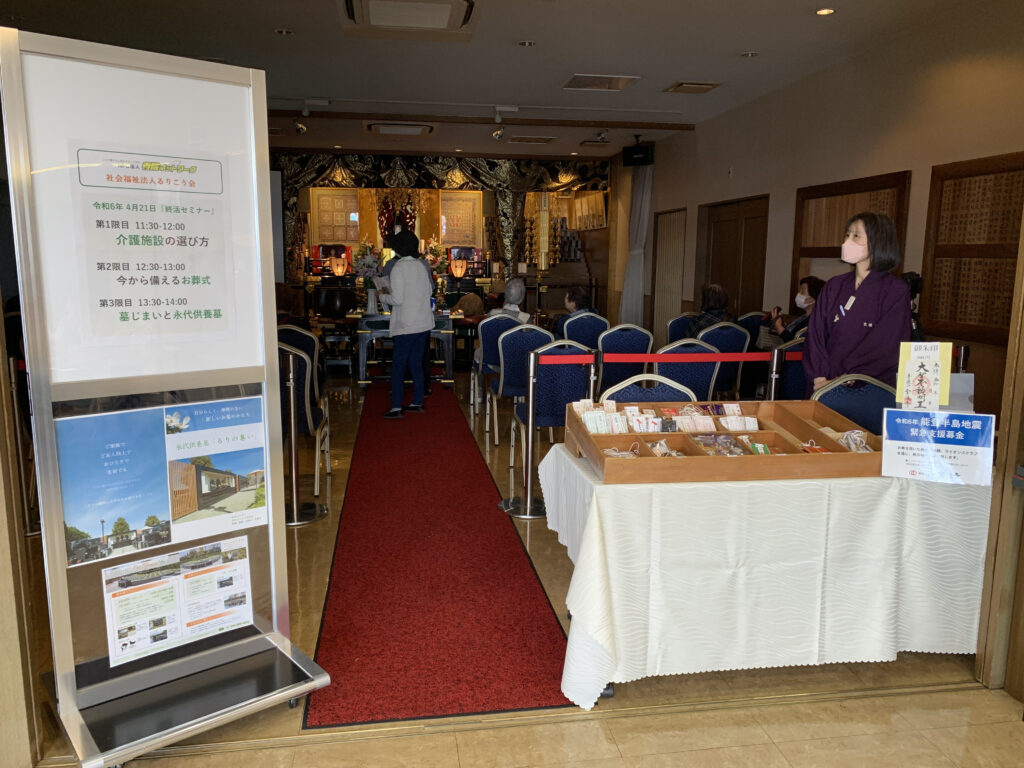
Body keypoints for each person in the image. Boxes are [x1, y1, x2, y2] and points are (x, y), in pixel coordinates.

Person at [804, 212, 911, 392]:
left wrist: (846, 378)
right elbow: (815, 335)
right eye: (847, 235)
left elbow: (885, 347)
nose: (847, 241)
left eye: (856, 235)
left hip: (864, 388)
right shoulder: (834, 285)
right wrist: (819, 375)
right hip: (822, 385)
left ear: (878, 241)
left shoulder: (894, 291)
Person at [379, 227, 434, 419]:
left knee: (399, 365)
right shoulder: (421, 265)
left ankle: (396, 407)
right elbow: (429, 292)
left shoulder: (398, 267)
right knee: (416, 363)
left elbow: (397, 299)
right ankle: (417, 402)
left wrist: (382, 296)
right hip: (424, 322)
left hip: (406, 325)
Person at [760, 275, 825, 348]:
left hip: (785, 353)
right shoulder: (804, 317)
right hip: (779, 346)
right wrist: (782, 325)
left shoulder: (813, 321)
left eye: (802, 291)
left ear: (813, 298)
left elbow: (793, 344)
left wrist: (779, 326)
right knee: (755, 321)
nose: (799, 294)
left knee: (754, 323)